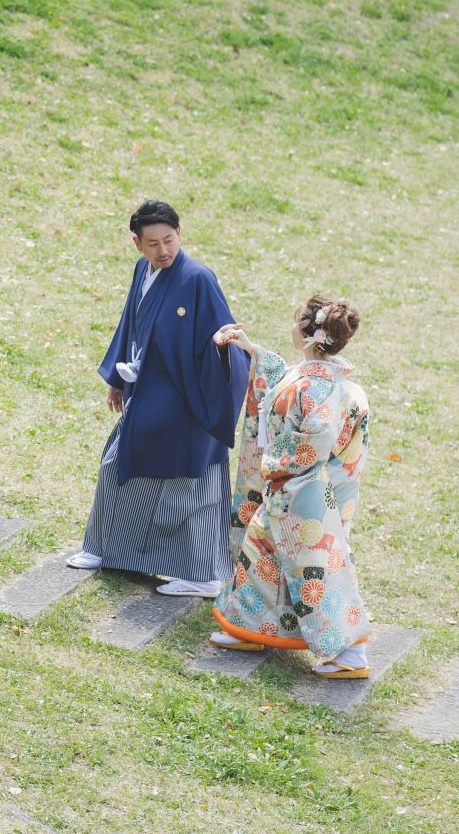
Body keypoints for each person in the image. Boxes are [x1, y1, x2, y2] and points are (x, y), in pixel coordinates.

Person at [66, 200, 249, 597]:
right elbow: (131, 321)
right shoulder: (142, 269)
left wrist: (219, 353)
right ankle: (107, 549)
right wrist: (118, 377)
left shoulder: (198, 278)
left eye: (169, 240)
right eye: (152, 243)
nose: (163, 250)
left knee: (190, 485)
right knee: (119, 464)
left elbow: (224, 337)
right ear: (138, 244)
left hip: (187, 396)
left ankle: (202, 574)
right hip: (149, 388)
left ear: (180, 233)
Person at [206, 297, 373, 678]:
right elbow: (283, 383)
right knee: (263, 554)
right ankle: (250, 627)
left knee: (317, 570)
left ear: (310, 333)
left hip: (301, 489)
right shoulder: (332, 383)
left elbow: (317, 433)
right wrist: (252, 350)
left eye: (297, 322)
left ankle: (350, 652)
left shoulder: (312, 386)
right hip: (309, 488)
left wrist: (277, 464)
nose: (292, 327)